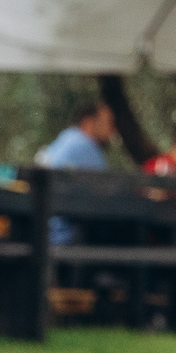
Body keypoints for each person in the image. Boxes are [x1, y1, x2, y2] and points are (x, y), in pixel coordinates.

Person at [37, 101, 118, 247]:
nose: (112, 131)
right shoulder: (85, 145)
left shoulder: (65, 139)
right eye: (108, 123)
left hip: (43, 232)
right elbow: (109, 192)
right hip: (65, 235)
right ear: (88, 123)